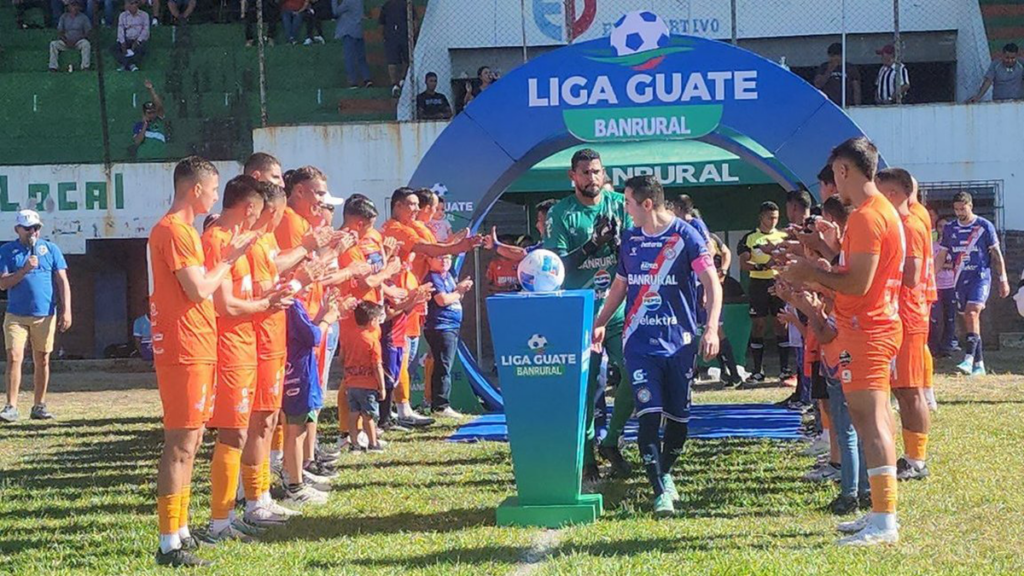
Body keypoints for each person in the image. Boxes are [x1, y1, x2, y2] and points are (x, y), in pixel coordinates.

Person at [781, 136, 904, 546]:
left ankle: (884, 520)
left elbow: (857, 281)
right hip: (867, 327)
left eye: (833, 175)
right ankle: (878, 513)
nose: (831, 186)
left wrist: (809, 274)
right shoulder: (871, 214)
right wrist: (821, 259)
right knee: (871, 421)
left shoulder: (870, 217)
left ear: (845, 171)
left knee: (871, 423)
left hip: (869, 330)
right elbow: (852, 273)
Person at [592, 175, 721, 515]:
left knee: (678, 422)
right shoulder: (631, 240)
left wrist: (711, 328)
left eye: (629, 204)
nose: (626, 211)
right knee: (648, 416)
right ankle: (660, 490)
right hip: (639, 344)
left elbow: (712, 283)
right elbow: (620, 286)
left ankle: (664, 473)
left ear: (647, 204)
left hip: (679, 344)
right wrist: (600, 323)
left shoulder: (686, 236)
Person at [147, 157, 254, 566]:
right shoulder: (174, 230)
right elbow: (197, 290)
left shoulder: (183, 231)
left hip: (196, 345)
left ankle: (181, 531)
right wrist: (228, 259)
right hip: (182, 347)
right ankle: (168, 542)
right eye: (211, 189)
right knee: (180, 444)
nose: (214, 196)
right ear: (195, 189)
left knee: (189, 443)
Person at [198, 175, 293, 544]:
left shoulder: (240, 241)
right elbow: (225, 304)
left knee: (248, 427)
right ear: (251, 207)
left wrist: (278, 292)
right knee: (234, 431)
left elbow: (250, 291)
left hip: (248, 343)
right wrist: (266, 303)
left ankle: (241, 509)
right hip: (229, 347)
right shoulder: (219, 241)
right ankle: (221, 520)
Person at [544, 148, 633, 482]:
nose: (592, 178)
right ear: (573, 176)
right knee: (586, 387)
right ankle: (586, 456)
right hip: (580, 311)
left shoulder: (618, 204)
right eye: (585, 172)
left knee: (635, 374)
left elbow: (635, 254)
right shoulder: (561, 213)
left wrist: (623, 242)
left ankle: (611, 441)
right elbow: (554, 269)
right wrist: (591, 246)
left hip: (618, 308)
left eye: (596, 172)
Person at [876, 168, 933, 482]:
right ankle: (911, 455)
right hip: (899, 315)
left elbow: (911, 275)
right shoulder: (899, 223)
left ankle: (917, 460)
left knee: (910, 391)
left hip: (909, 316)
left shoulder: (910, 225)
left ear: (894, 194)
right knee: (901, 389)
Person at [0, 210, 71, 424]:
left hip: (45, 315)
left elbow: (62, 281)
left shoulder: (50, 249)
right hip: (16, 315)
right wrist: (24, 269)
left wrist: (67, 309)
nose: (33, 232)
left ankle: (39, 405)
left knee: (43, 359)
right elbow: (3, 283)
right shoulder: (7, 251)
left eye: (36, 228)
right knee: (14, 357)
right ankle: (11, 406)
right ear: (17, 229)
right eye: (28, 228)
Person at [936, 191, 1010, 376]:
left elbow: (996, 254)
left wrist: (1003, 279)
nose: (960, 212)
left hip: (980, 276)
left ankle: (968, 358)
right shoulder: (950, 228)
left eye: (963, 208)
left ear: (971, 206)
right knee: (968, 320)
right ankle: (979, 363)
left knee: (972, 312)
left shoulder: (984, 226)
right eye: (956, 209)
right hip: (959, 279)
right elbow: (942, 255)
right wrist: (930, 277)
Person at [282, 288, 343, 504]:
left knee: (302, 425)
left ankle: (296, 477)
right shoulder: (291, 305)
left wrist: (322, 314)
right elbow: (313, 336)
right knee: (296, 431)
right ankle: (294, 485)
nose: (311, 286)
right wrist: (327, 320)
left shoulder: (295, 304)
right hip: (298, 372)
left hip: (304, 370)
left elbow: (307, 329)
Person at [736, 201, 788, 383]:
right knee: (758, 325)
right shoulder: (750, 238)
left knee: (781, 324)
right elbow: (743, 264)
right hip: (758, 283)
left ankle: (785, 370)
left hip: (779, 282)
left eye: (776, 217)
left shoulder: (783, 236)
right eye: (769, 218)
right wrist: (763, 264)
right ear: (761, 217)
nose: (773, 221)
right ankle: (758, 371)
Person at [423, 254, 472, 414]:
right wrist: (459, 290)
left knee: (444, 364)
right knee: (443, 365)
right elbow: (442, 300)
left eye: (448, 258)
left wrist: (461, 289)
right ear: (430, 259)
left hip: (451, 325)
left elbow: (455, 297)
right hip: (440, 326)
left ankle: (437, 402)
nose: (445, 261)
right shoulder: (432, 277)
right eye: (440, 257)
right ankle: (440, 405)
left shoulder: (449, 276)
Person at [341, 301, 387, 452]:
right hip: (368, 385)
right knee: (369, 416)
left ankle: (354, 444)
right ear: (373, 321)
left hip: (351, 382)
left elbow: (342, 357)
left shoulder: (348, 337)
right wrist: (382, 386)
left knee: (353, 414)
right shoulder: (372, 341)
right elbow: (377, 365)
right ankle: (373, 443)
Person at [929, 214, 958, 356]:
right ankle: (933, 346)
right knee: (934, 317)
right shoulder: (932, 245)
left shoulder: (954, 245)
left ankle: (948, 347)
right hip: (935, 285)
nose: (943, 230)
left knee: (950, 317)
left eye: (946, 227)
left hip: (951, 285)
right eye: (940, 226)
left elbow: (956, 263)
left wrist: (943, 264)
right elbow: (931, 263)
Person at [333, 0, 372, 88]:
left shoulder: (348, 2)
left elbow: (335, 12)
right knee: (361, 57)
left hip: (348, 32)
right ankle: (367, 78)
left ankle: (353, 81)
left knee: (349, 58)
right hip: (358, 30)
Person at [379, 0, 411, 98]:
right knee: (392, 61)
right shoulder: (386, 6)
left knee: (406, 59)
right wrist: (384, 36)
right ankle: (394, 84)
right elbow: (381, 23)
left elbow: (414, 20)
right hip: (391, 38)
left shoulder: (407, 4)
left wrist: (411, 34)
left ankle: (403, 79)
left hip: (404, 37)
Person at [814, 42, 861, 107]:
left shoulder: (850, 68)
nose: (833, 58)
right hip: (828, 104)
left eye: (836, 56)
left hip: (847, 104)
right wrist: (829, 70)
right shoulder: (824, 67)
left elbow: (856, 88)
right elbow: (818, 85)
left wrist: (857, 105)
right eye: (831, 56)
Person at [49, 1, 91, 72]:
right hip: (66, 41)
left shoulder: (84, 18)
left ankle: (85, 67)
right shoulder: (63, 17)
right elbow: (60, 31)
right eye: (73, 6)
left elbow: (88, 32)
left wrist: (79, 39)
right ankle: (53, 67)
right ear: (69, 7)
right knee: (53, 44)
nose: (75, 8)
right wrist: (66, 41)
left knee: (86, 44)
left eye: (76, 6)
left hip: (79, 41)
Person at [132, 79, 166, 160]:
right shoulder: (138, 125)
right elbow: (137, 141)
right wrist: (145, 124)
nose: (152, 115)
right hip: (144, 160)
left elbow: (160, 107)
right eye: (149, 113)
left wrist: (151, 90)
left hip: (160, 159)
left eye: (153, 112)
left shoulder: (159, 121)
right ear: (144, 114)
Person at [113, 0, 148, 71]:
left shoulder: (144, 15)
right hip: (127, 39)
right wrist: (122, 42)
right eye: (131, 3)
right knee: (114, 48)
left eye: (134, 3)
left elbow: (146, 31)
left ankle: (125, 64)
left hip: (138, 39)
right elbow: (120, 30)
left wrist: (138, 41)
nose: (132, 5)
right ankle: (130, 65)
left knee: (141, 48)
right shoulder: (122, 15)